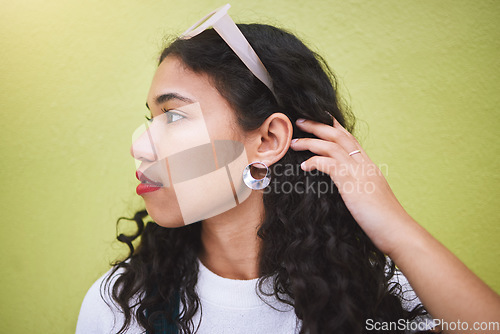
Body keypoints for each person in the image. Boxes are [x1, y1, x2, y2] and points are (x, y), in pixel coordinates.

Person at [76, 4, 500, 334]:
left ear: (268, 141)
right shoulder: (119, 305)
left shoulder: (380, 296)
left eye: (173, 116)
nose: (139, 145)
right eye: (152, 119)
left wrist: (396, 229)